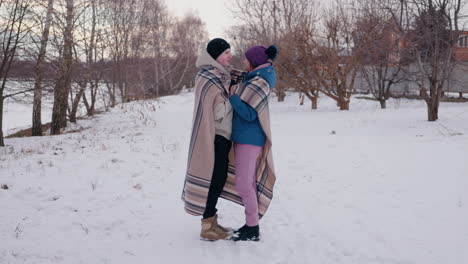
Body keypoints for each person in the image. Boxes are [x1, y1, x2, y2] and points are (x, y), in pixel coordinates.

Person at [181, 38, 235, 241]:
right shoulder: (208, 77)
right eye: (226, 52)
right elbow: (215, 111)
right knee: (214, 180)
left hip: (223, 135)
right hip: (215, 137)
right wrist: (233, 100)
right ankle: (207, 226)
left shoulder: (220, 75)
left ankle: (211, 221)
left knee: (218, 180)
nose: (230, 56)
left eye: (230, 52)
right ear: (216, 55)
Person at [229, 45, 278, 241]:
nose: (243, 62)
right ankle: (251, 225)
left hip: (250, 138)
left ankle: (252, 228)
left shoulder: (260, 83)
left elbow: (250, 114)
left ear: (254, 61)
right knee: (246, 182)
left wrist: (233, 97)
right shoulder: (254, 79)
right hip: (244, 137)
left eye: (246, 59)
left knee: (243, 184)